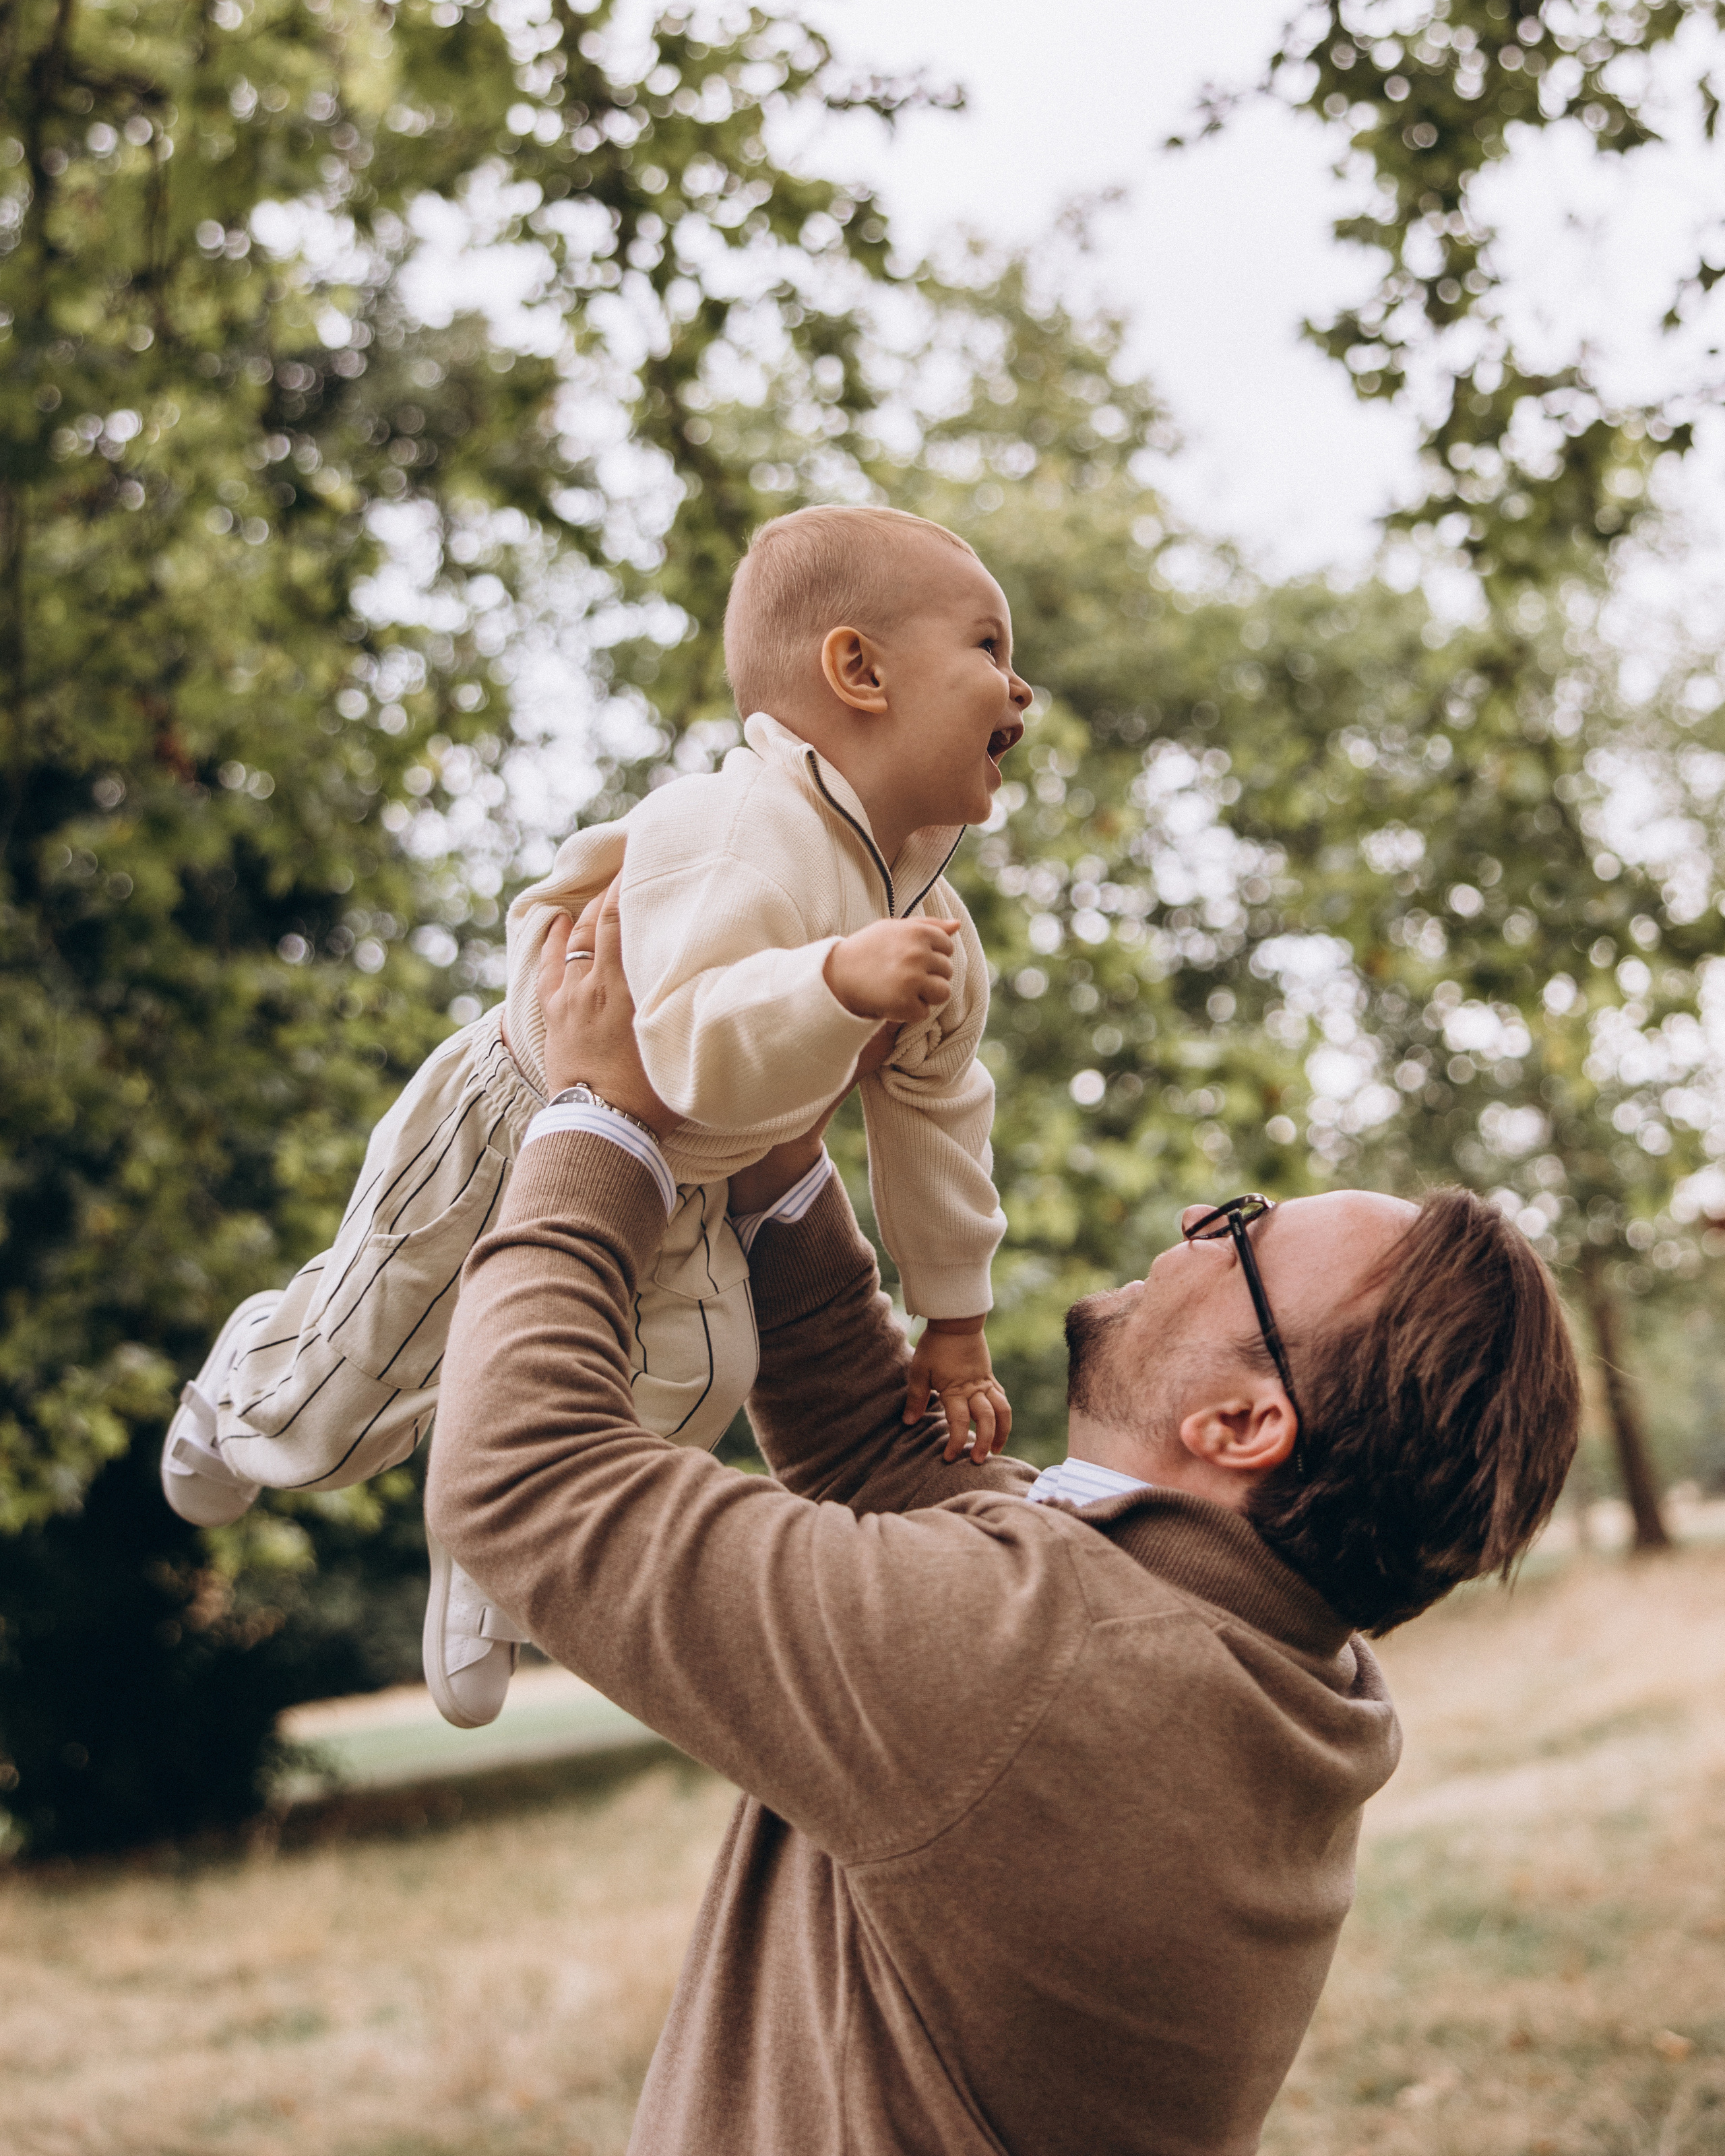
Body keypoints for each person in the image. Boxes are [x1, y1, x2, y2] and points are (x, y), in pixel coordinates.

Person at [426, 880, 1582, 2156]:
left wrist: (602, 1122)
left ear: (1247, 1427)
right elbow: (877, 1453)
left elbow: (521, 1475)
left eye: (1243, 1237)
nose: (1200, 1222)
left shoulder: (1045, 1663)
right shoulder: (1232, 1651)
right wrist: (767, 1109)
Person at [159, 505, 1029, 1727]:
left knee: (694, 1379)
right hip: (521, 1115)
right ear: (858, 669)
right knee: (368, 1371)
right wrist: (830, 983)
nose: (1022, 685)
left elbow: (940, 1108)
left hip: (685, 1183)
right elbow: (662, 1043)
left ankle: (499, 1570)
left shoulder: (930, 912)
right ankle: (250, 1386)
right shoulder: (732, 832)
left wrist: (955, 1319)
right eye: (990, 646)